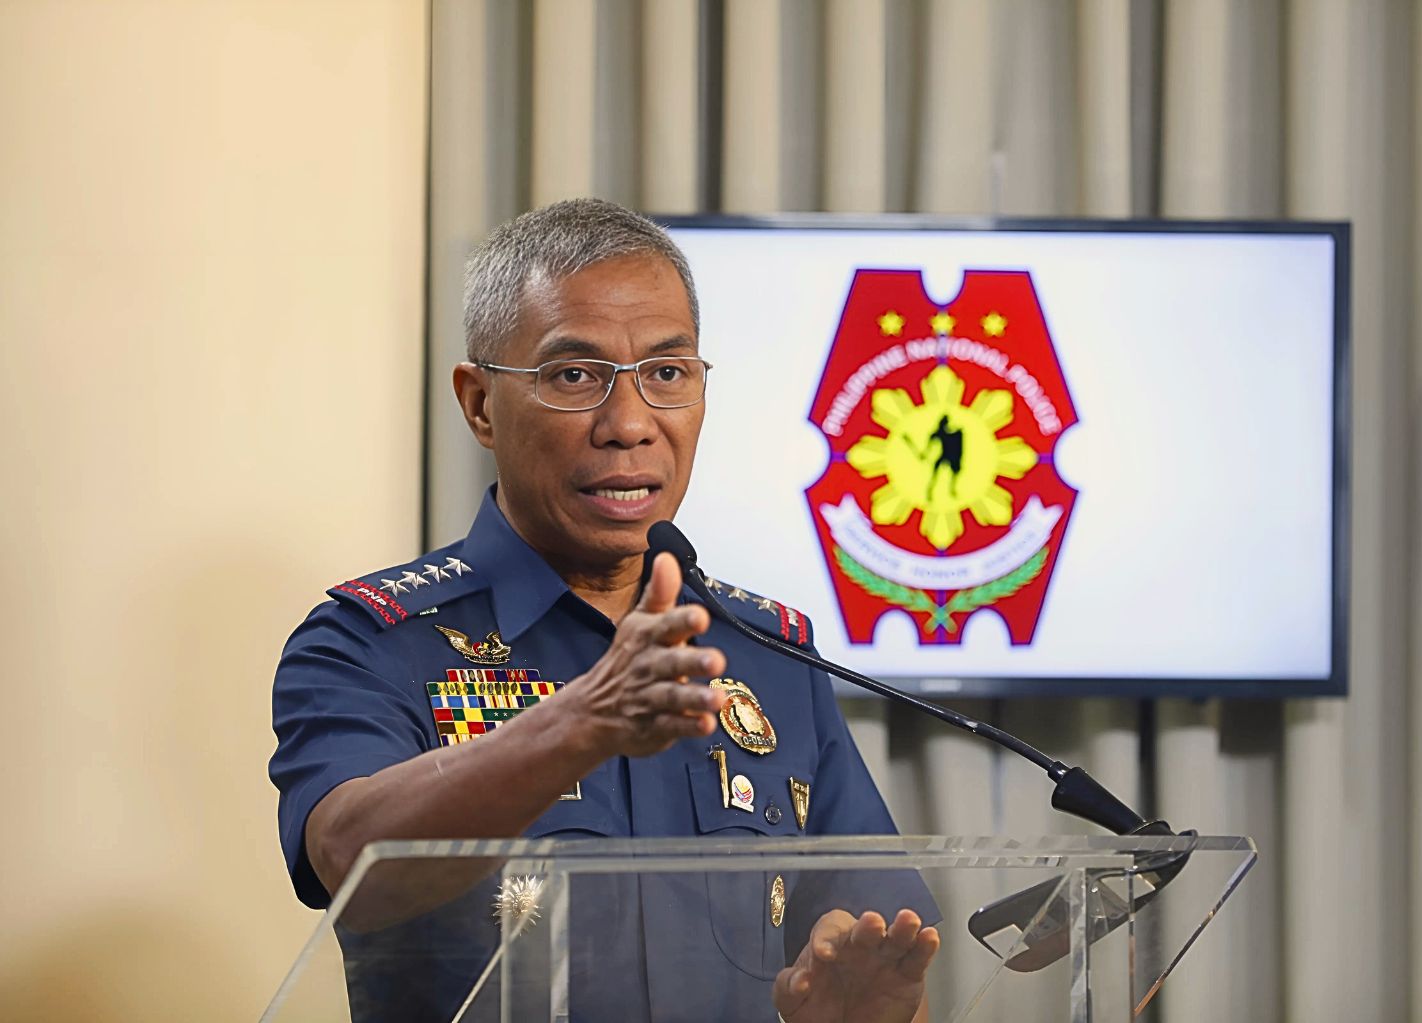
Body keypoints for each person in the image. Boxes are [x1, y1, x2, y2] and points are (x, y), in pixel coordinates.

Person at [269, 198, 939, 1022]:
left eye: (667, 373)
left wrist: (856, 1010)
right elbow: (345, 854)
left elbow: (872, 959)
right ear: (480, 404)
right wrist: (579, 723)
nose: (629, 425)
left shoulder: (769, 656)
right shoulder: (369, 643)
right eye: (574, 376)